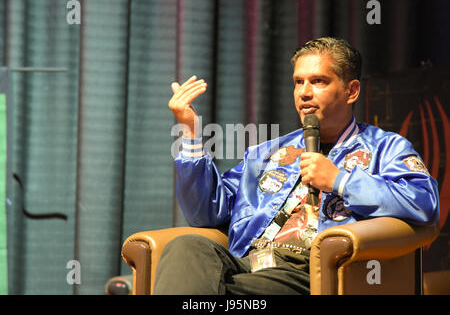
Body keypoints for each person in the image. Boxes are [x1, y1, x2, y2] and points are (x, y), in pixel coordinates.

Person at [154, 37, 439, 295]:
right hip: (248, 262)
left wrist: (339, 181)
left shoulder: (385, 147)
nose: (303, 93)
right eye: (298, 82)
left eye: (318, 81)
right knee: (187, 247)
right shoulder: (267, 152)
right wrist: (190, 133)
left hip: (307, 271)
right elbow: (205, 212)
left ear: (351, 91)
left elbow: (424, 203)